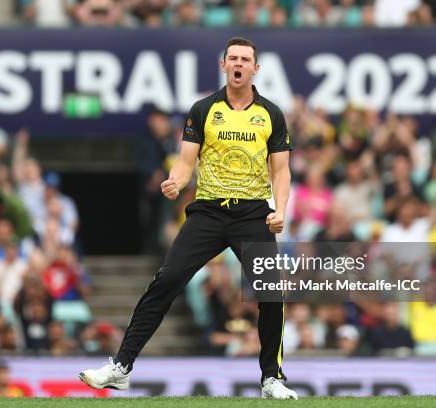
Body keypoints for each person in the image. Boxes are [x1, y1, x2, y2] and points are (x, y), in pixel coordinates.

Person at [79, 37, 297, 400]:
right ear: (224, 65)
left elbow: (282, 171)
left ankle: (271, 378)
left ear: (256, 68)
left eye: (246, 59)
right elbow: (185, 161)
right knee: (168, 279)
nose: (239, 64)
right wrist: (176, 182)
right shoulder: (203, 109)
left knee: (271, 292)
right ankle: (121, 367)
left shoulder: (271, 114)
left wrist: (281, 211)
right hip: (208, 210)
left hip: (252, 213)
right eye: (234, 58)